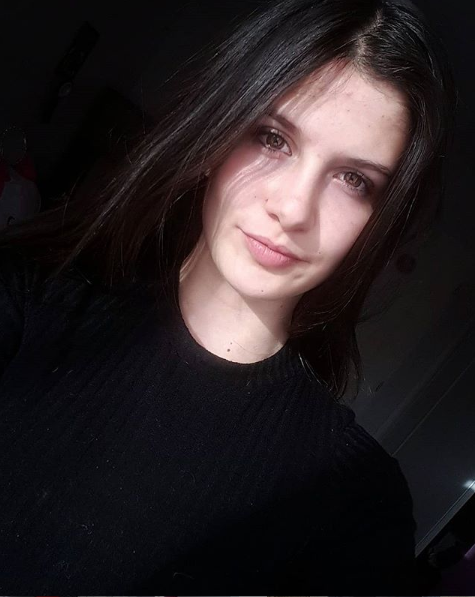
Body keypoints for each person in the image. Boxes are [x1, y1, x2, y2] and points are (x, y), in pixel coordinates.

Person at [0, 0, 456, 593]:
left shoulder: (355, 507)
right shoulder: (29, 299)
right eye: (273, 138)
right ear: (218, 129)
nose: (292, 208)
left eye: (354, 180)